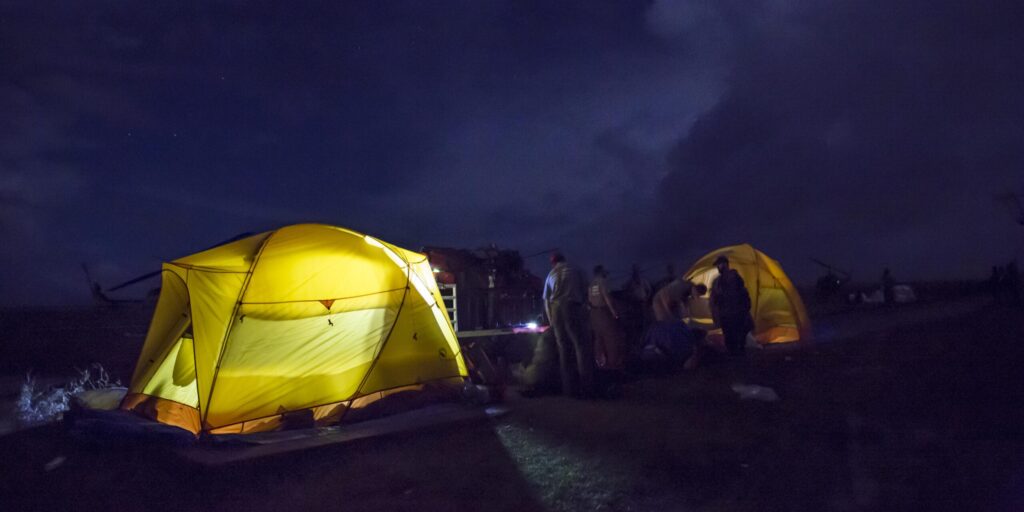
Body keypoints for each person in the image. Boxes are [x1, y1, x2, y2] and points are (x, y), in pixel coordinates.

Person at [543, 252, 593, 397]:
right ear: (564, 259)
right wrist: (585, 306)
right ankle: (587, 388)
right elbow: (586, 290)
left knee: (563, 349)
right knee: (581, 346)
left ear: (553, 263)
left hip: (556, 310)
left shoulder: (550, 274)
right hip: (572, 307)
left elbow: (546, 300)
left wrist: (551, 319)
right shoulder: (576, 269)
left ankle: (569, 390)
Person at [710, 256, 753, 357]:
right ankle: (736, 355)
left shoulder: (733, 278)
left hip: (734, 313)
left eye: (719, 265)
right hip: (728, 313)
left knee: (736, 335)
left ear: (725, 264)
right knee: (732, 337)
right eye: (717, 266)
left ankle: (737, 355)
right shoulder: (720, 281)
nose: (718, 268)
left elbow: (741, 294)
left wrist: (744, 308)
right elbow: (717, 298)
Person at [588, 265, 625, 375]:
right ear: (600, 272)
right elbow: (606, 297)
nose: (606, 273)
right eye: (604, 271)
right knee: (611, 338)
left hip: (594, 314)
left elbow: (589, 300)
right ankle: (613, 365)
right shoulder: (602, 282)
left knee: (598, 339)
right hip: (604, 312)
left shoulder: (591, 284)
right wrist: (614, 313)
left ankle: (600, 363)